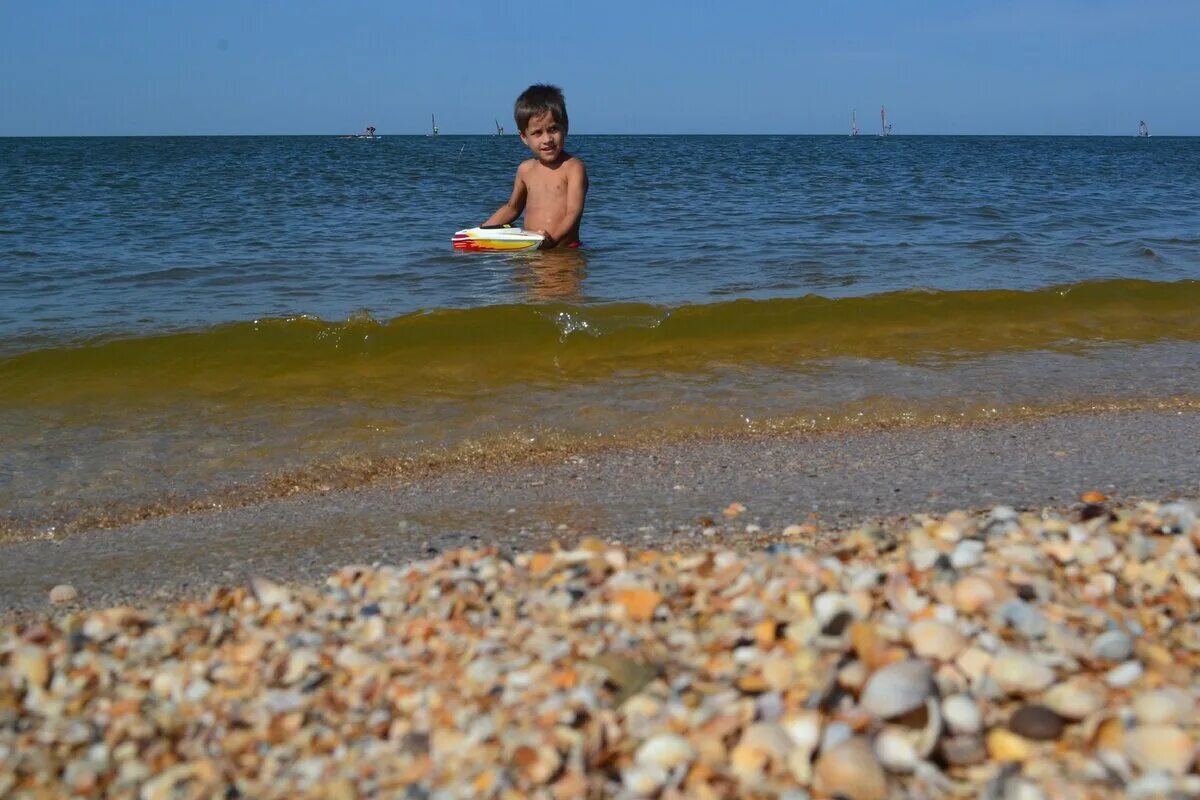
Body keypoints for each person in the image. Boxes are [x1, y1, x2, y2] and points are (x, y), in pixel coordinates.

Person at [481, 84, 587, 249]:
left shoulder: (573, 168)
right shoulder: (526, 169)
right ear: (524, 137)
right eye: (537, 133)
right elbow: (512, 208)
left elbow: (573, 212)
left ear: (565, 127)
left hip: (565, 250)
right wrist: (482, 231)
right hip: (532, 249)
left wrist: (552, 239)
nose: (547, 139)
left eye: (553, 129)